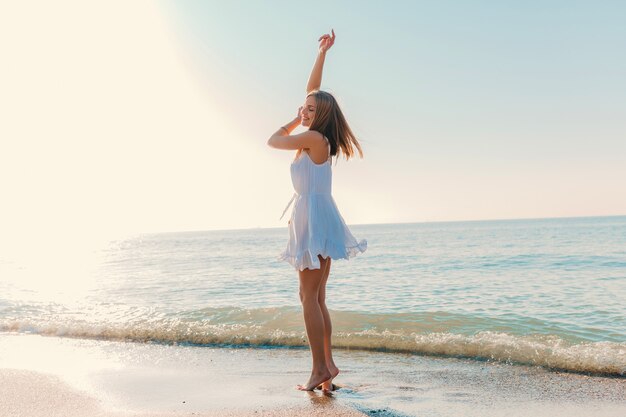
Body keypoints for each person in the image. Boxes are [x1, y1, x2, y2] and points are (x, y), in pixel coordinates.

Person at [266, 29, 367, 393]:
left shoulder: (311, 137)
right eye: (304, 107)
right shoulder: (321, 139)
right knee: (318, 297)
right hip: (320, 216)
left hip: (313, 218)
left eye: (310, 109)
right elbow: (313, 91)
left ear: (319, 115)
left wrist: (293, 120)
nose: (305, 110)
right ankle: (328, 366)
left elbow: (273, 140)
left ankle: (318, 369)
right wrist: (322, 53)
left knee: (308, 297)